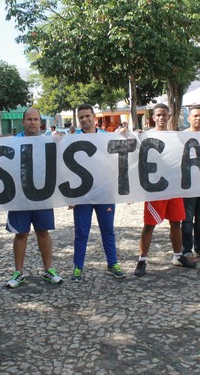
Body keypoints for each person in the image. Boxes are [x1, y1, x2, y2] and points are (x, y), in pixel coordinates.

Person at [134, 104, 195, 277]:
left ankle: (178, 256)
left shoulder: (175, 136)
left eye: (164, 115)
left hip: (174, 186)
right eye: (158, 115)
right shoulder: (146, 135)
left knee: (176, 222)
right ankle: (142, 260)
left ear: (169, 116)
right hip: (155, 188)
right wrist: (131, 134)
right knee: (149, 225)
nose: (161, 118)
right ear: (153, 117)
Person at [5, 108, 63, 288]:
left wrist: (61, 141)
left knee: (43, 231)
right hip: (20, 195)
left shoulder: (49, 141)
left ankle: (48, 269)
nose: (32, 122)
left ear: (40, 122)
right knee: (20, 233)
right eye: (29, 119)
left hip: (42, 194)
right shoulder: (14, 142)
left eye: (35, 119)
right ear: (23, 122)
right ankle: (18, 272)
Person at [71, 103, 124, 282]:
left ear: (94, 117)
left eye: (87, 116)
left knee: (108, 230)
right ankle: (78, 267)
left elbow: (122, 155)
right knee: (81, 232)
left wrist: (131, 134)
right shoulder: (72, 139)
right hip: (82, 194)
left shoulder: (107, 137)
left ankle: (112, 264)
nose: (85, 119)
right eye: (81, 117)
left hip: (104, 192)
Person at [181, 106, 200, 260]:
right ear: (189, 119)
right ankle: (186, 249)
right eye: (195, 116)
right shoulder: (181, 136)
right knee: (187, 219)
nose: (198, 118)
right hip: (188, 185)